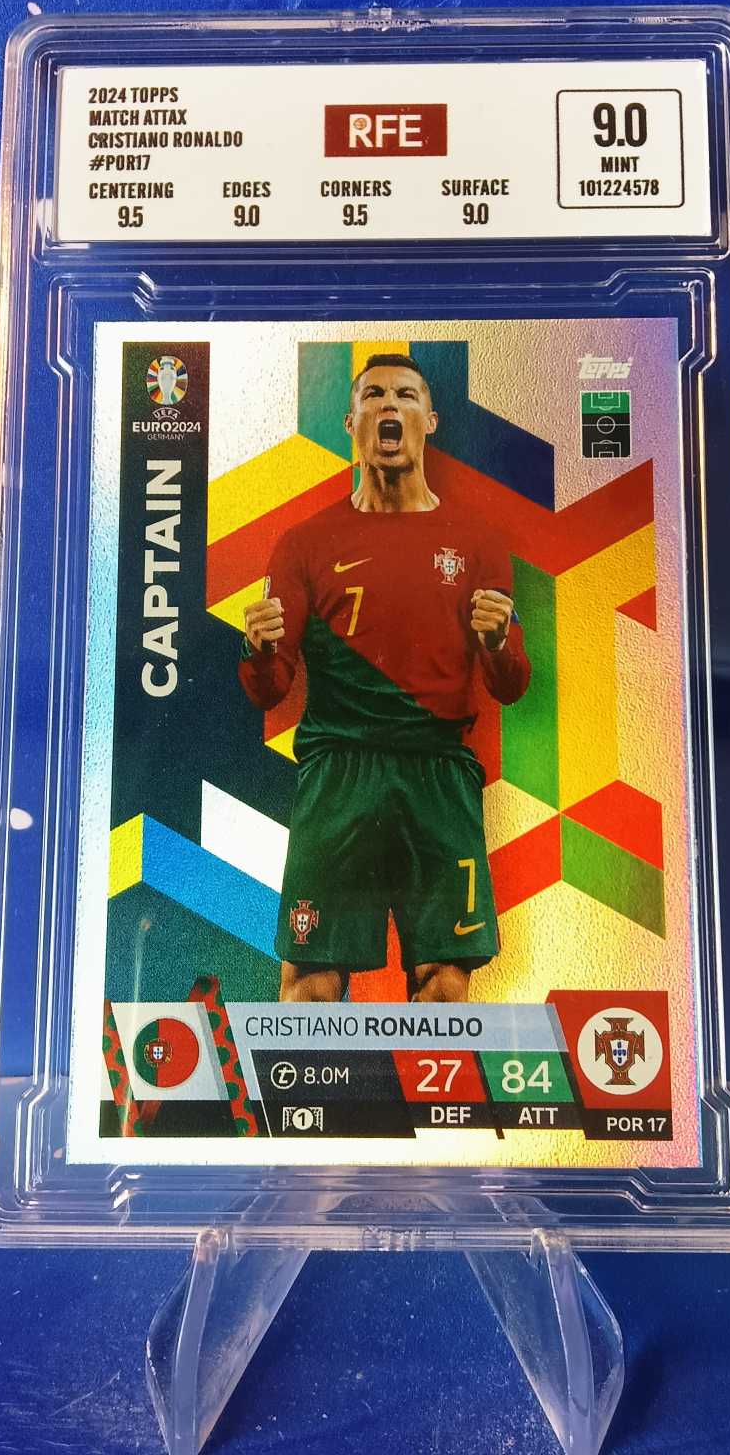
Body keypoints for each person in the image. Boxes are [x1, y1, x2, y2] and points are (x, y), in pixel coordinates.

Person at [239, 352, 531, 1003]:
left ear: (430, 419)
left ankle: (431, 1078)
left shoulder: (478, 542)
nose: (389, 404)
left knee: (446, 981)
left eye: (405, 394)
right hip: (338, 773)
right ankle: (308, 1077)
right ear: (352, 422)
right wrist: (258, 650)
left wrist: (497, 643)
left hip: (437, 774)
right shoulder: (304, 542)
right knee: (309, 981)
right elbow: (269, 687)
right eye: (373, 395)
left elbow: (510, 685)